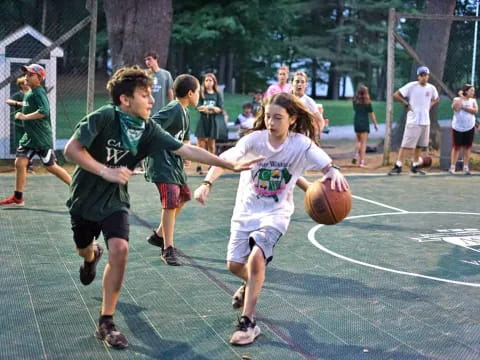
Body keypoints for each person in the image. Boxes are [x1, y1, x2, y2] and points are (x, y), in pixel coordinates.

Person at [64, 66, 262, 349]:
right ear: (125, 99)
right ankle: (90, 255)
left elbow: (186, 149)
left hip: (114, 201)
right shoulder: (104, 117)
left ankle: (106, 321)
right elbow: (71, 150)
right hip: (84, 199)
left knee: (120, 249)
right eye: (144, 95)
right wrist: (105, 170)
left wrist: (227, 164)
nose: (151, 100)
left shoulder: (148, 129)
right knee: (85, 247)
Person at [194, 93, 349, 346]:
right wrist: (207, 183)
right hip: (245, 211)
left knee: (257, 258)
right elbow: (226, 160)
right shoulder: (253, 141)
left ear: (292, 119)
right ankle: (249, 283)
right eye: (267, 116)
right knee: (234, 265)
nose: (271, 122)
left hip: (276, 214)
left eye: (278, 117)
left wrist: (333, 172)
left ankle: (248, 323)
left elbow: (326, 165)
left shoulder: (301, 144)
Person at [144, 74, 199, 265]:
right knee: (170, 203)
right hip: (162, 163)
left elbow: (184, 139)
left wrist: (186, 155)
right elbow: (151, 125)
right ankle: (167, 248)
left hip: (173, 164)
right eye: (198, 91)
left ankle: (159, 234)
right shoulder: (174, 108)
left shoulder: (185, 112)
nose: (198, 95)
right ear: (191, 93)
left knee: (183, 196)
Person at [0, 64, 71, 207]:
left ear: (39, 78)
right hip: (29, 137)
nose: (26, 76)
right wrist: (20, 108)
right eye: (26, 73)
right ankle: (18, 197)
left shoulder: (39, 92)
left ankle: (79, 190)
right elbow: (28, 106)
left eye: (30, 74)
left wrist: (24, 117)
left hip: (41, 138)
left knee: (51, 167)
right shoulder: (29, 93)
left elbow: (43, 111)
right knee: (20, 163)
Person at [388, 66, 439, 175]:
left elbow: (436, 98)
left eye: (426, 75)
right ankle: (398, 165)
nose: (424, 77)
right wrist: (407, 104)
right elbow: (396, 95)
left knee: (420, 145)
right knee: (406, 144)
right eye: (422, 75)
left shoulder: (431, 88)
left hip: (425, 121)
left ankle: (415, 165)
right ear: (418, 76)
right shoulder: (411, 86)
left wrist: (430, 105)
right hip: (413, 120)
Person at [195, 73, 225, 173]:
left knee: (211, 145)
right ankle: (199, 165)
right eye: (206, 80)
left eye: (210, 80)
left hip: (213, 121)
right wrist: (207, 108)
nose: (208, 82)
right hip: (203, 120)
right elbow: (198, 107)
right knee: (201, 143)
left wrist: (211, 108)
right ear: (204, 82)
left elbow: (220, 108)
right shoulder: (201, 93)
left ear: (214, 82)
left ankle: (211, 165)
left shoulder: (217, 94)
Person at [449, 84, 479, 174]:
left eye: (473, 90)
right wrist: (461, 97)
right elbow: (456, 108)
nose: (473, 92)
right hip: (457, 128)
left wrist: (464, 107)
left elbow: (475, 110)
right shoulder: (457, 99)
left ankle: (465, 167)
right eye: (471, 90)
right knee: (456, 147)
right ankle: (452, 167)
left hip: (469, 127)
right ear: (465, 91)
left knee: (467, 147)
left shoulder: (473, 101)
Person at [351, 85, 378, 167]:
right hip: (364, 123)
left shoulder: (355, 101)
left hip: (356, 122)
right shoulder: (368, 103)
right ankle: (361, 162)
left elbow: (355, 110)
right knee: (363, 143)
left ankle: (355, 155)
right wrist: (375, 124)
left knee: (358, 141)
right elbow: (371, 114)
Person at [291, 71, 325, 136]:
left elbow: (320, 121)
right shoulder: (287, 98)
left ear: (306, 85)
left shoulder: (309, 101)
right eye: (297, 81)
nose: (299, 84)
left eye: (302, 82)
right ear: (292, 83)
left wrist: (314, 135)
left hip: (302, 136)